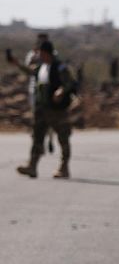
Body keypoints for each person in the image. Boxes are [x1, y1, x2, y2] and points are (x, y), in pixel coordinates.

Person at [8, 40, 75, 178]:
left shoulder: (60, 67)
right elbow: (30, 71)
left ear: (46, 52)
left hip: (57, 111)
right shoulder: (42, 67)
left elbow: (69, 83)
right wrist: (17, 63)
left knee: (63, 139)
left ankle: (64, 168)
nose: (39, 55)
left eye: (41, 53)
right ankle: (32, 166)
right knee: (37, 138)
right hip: (42, 110)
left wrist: (61, 91)